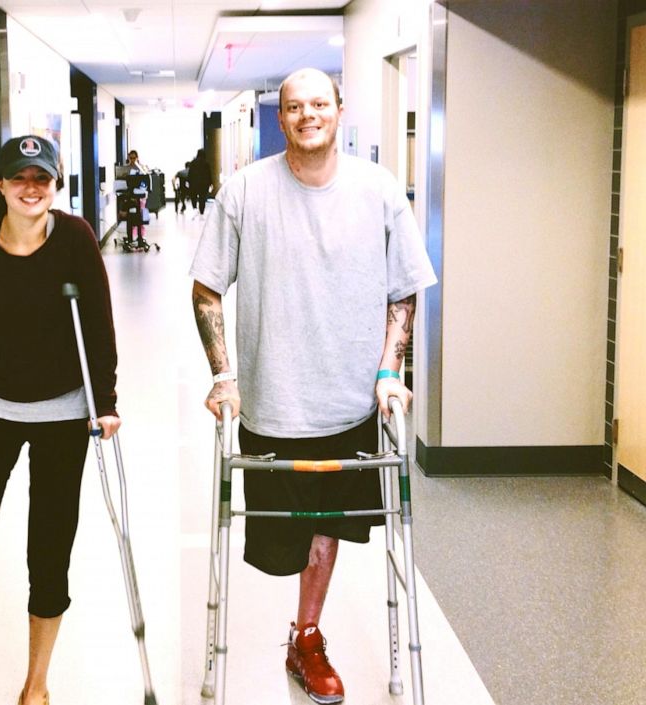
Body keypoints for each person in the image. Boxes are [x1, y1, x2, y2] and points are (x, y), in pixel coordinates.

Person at [189, 69, 436, 704]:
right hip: (271, 409)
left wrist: (389, 370)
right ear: (282, 119)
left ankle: (307, 635)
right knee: (278, 544)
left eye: (319, 103)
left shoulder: (378, 191)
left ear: (339, 110)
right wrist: (223, 375)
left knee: (328, 530)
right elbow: (206, 286)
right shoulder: (243, 192)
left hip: (348, 404)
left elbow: (402, 288)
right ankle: (296, 627)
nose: (308, 115)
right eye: (295, 107)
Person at [0, 134, 120, 705]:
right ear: (0, 185)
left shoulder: (76, 239)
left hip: (63, 412)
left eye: (42, 178)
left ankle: (36, 684)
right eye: (19, 178)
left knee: (49, 548)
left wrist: (104, 402)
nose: (30, 188)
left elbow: (100, 328)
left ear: (55, 186)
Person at [186, 149, 213, 215]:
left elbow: (190, 173)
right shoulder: (206, 163)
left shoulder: (193, 162)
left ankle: (194, 207)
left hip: (194, 183)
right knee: (202, 197)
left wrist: (188, 181)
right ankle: (201, 210)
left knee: (194, 196)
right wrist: (211, 183)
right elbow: (209, 174)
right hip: (204, 184)